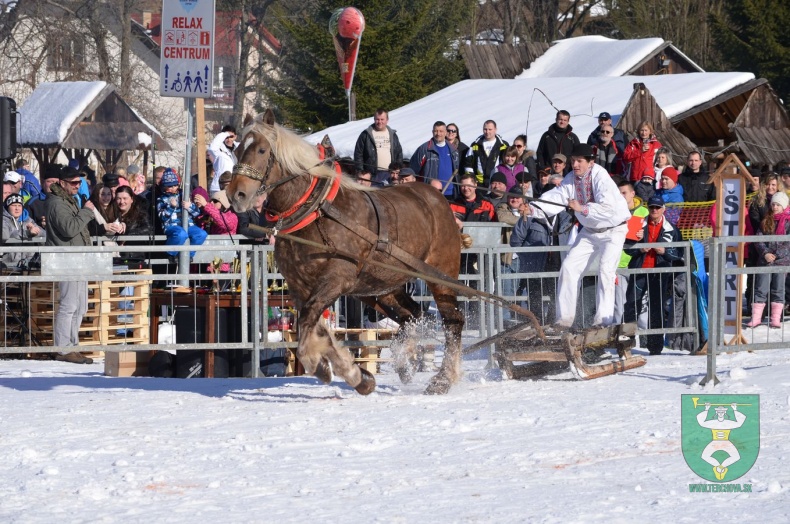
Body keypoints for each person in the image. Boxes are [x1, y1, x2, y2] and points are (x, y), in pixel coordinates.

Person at [521, 143, 630, 328]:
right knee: (569, 267)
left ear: (591, 162)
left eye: (580, 161)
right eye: (573, 161)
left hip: (613, 230)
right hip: (589, 231)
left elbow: (608, 207)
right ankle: (565, 318)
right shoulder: (571, 178)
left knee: (605, 271)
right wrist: (532, 207)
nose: (576, 165)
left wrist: (582, 208)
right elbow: (557, 197)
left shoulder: (600, 176)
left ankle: (604, 320)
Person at [45, 167, 122, 363]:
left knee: (80, 305)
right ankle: (63, 349)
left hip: (77, 259)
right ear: (62, 183)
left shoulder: (67, 200)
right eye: (73, 183)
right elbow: (70, 229)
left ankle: (72, 346)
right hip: (67, 260)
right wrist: (87, 212)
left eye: (79, 182)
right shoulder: (57, 203)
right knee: (69, 305)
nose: (77, 186)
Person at [623, 196, 684, 354]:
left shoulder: (672, 228)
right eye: (652, 207)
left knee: (657, 308)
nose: (654, 210)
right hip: (639, 271)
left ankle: (655, 347)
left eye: (657, 207)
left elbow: (679, 253)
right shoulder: (638, 223)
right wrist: (639, 249)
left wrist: (665, 252)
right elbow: (626, 247)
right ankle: (625, 344)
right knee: (631, 305)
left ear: (663, 209)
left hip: (659, 273)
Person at [746, 191, 790, 328]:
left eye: (778, 204)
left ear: (784, 206)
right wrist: (765, 253)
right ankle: (756, 318)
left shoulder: (788, 222)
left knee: (778, 289)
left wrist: (777, 255)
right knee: (761, 288)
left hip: (781, 262)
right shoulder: (766, 221)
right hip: (765, 261)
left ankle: (775, 319)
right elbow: (759, 240)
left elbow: (788, 243)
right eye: (773, 204)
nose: (775, 207)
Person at [613, 181, 649, 324]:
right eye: (619, 193)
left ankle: (643, 335)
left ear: (633, 194)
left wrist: (643, 235)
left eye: (624, 193)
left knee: (640, 301)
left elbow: (653, 235)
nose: (621, 196)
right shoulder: (613, 211)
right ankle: (618, 334)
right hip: (619, 263)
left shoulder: (644, 212)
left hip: (638, 263)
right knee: (619, 303)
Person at [157, 168, 207, 260]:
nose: (173, 189)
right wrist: (171, 207)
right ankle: (171, 253)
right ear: (164, 187)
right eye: (170, 186)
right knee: (180, 234)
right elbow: (162, 217)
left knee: (201, 234)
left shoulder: (184, 195)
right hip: (172, 226)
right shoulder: (161, 199)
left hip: (188, 225)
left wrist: (189, 206)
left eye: (175, 186)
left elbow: (196, 213)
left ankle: (188, 255)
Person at [353, 108, 403, 186]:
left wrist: (398, 170)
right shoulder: (366, 134)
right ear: (374, 119)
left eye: (382, 119)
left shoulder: (393, 135)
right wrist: (361, 172)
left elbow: (399, 153)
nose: (380, 122)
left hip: (390, 174)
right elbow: (358, 154)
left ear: (387, 120)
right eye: (377, 119)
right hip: (372, 175)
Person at [410, 121, 459, 197]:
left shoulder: (453, 150)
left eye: (441, 131)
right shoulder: (425, 149)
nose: (438, 134)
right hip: (431, 192)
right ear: (432, 132)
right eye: (436, 131)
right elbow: (413, 170)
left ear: (446, 132)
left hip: (450, 192)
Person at [2, 194, 45, 267]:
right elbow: (4, 236)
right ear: (7, 207)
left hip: (28, 265)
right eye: (14, 205)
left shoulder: (28, 220)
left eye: (19, 205)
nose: (17, 208)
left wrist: (36, 232)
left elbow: (44, 234)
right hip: (7, 266)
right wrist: (27, 233)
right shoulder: (3, 220)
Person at [464, 120, 509, 189]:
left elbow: (508, 163)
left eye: (490, 129)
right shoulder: (475, 145)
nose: (487, 132)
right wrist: (473, 179)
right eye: (485, 129)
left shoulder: (503, 145)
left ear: (495, 130)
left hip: (497, 183)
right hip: (479, 184)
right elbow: (468, 164)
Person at [208, 125, 238, 194]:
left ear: (235, 137)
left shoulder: (239, 148)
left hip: (234, 187)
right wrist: (226, 134)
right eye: (226, 137)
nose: (229, 139)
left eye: (231, 137)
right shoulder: (218, 149)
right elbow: (212, 148)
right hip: (219, 187)